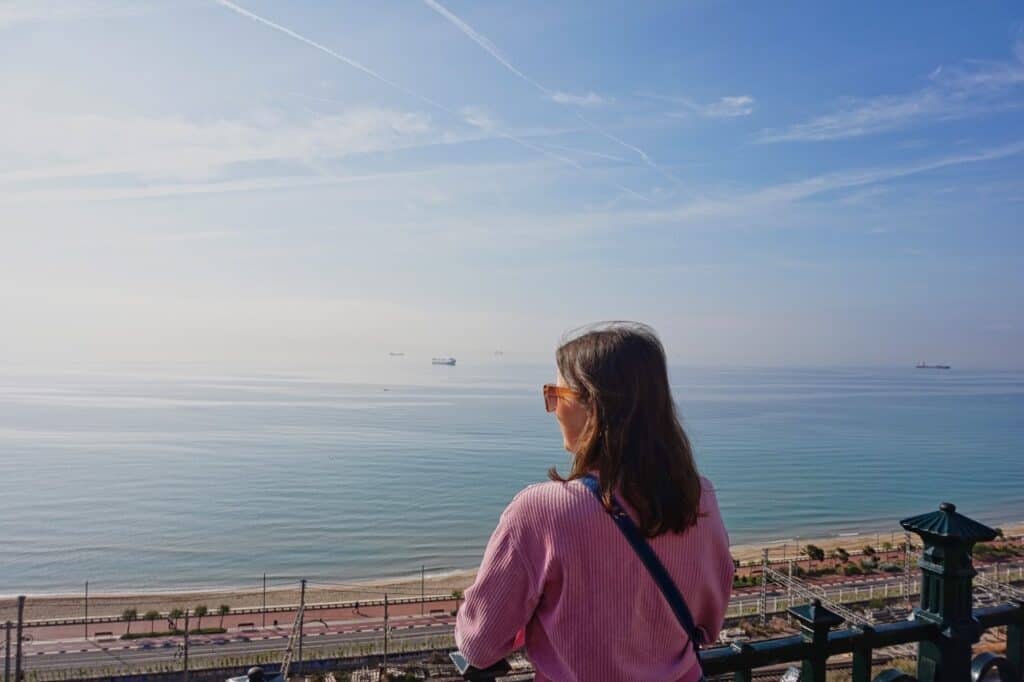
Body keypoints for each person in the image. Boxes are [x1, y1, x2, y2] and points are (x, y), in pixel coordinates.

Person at [455, 322, 734, 681]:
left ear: (593, 405)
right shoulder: (699, 498)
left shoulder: (541, 512)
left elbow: (479, 644)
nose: (552, 407)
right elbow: (709, 625)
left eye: (556, 394)